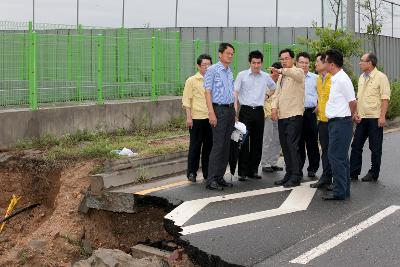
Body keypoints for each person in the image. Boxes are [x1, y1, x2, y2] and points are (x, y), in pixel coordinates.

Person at [234, 50, 277, 181]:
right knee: (243, 141)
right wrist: (235, 112)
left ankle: (253, 170)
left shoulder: (265, 76)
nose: (256, 65)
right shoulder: (242, 75)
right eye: (254, 63)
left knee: (257, 142)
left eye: (259, 63)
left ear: (261, 63)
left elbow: (274, 88)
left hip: (259, 111)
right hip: (245, 111)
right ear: (249, 62)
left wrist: (267, 95)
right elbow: (235, 93)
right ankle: (242, 172)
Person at [350, 52, 391, 182]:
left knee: (375, 147)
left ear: (370, 63)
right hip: (361, 118)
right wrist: (355, 112)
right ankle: (353, 172)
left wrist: (382, 117)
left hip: (375, 118)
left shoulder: (381, 77)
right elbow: (359, 98)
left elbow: (385, 98)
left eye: (362, 60)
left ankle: (374, 173)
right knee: (356, 145)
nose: (360, 63)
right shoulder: (361, 77)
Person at [323, 49, 357, 200]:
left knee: (336, 156)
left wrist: (350, 116)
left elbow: (353, 101)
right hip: (336, 123)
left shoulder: (342, 79)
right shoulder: (336, 78)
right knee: (340, 157)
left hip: (341, 123)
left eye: (325, 62)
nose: (324, 65)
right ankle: (343, 190)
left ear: (331, 64)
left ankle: (339, 191)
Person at [270, 48, 305, 188]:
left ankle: (296, 176)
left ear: (293, 60)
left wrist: (280, 70)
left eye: (286, 58)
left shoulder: (298, 72)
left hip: (294, 115)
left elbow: (294, 74)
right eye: (281, 59)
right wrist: (273, 108)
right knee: (285, 147)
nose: (283, 61)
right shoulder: (281, 77)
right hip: (282, 116)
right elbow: (277, 94)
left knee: (292, 146)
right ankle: (289, 174)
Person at [204, 43, 236, 191]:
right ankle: (211, 180)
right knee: (217, 146)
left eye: (232, 54)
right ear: (220, 54)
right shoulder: (212, 70)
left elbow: (232, 92)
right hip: (218, 110)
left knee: (226, 146)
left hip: (229, 110)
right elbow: (207, 92)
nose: (230, 56)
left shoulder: (229, 71)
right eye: (228, 53)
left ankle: (219, 177)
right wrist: (211, 112)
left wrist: (234, 112)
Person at [182, 54, 213, 182]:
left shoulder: (213, 80)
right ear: (198, 66)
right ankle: (192, 173)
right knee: (195, 146)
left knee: (209, 147)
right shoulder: (192, 80)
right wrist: (189, 117)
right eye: (204, 65)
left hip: (210, 118)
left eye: (209, 65)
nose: (206, 67)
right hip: (196, 118)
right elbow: (187, 100)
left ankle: (207, 172)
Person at [310, 53, 333, 189]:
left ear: (325, 63)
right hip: (322, 120)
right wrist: (319, 106)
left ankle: (336, 179)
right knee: (324, 150)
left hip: (333, 120)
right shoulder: (319, 79)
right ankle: (325, 177)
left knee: (334, 151)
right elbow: (322, 97)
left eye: (318, 62)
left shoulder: (334, 78)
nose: (315, 64)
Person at [296, 52, 320, 178]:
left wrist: (319, 104)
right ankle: (298, 168)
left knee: (312, 142)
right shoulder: (292, 77)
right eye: (301, 62)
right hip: (297, 113)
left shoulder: (315, 78)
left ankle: (313, 168)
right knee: (298, 142)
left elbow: (322, 94)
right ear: (296, 63)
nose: (304, 65)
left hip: (310, 113)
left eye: (306, 63)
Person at [261, 62, 283, 173]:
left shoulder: (281, 82)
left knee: (277, 139)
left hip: (279, 114)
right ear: (273, 71)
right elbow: (263, 99)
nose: (280, 73)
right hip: (268, 114)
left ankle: (273, 162)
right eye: (279, 71)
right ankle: (265, 163)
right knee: (268, 139)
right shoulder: (265, 80)